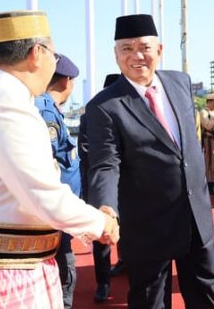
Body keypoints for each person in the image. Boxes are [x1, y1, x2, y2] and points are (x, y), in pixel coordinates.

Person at [0, 10, 118, 308]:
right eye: (54, 56)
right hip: (0, 278)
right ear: (37, 53)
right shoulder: (7, 104)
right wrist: (102, 223)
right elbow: (43, 197)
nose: (53, 64)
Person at [86, 14, 214, 308]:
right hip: (147, 225)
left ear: (159, 50)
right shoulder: (104, 106)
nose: (137, 56)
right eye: (126, 49)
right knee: (150, 301)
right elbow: (105, 163)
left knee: (204, 294)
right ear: (115, 55)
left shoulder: (180, 82)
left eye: (144, 47)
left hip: (196, 217)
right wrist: (106, 207)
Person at [34, 53, 81, 309]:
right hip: (54, 215)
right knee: (63, 278)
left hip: (59, 212)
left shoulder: (48, 109)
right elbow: (47, 162)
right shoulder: (45, 111)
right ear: (66, 82)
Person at [80, 73, 124, 304]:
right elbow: (87, 152)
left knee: (131, 230)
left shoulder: (133, 111)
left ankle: (126, 263)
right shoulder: (92, 113)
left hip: (129, 188)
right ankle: (103, 282)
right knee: (102, 236)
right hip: (102, 188)